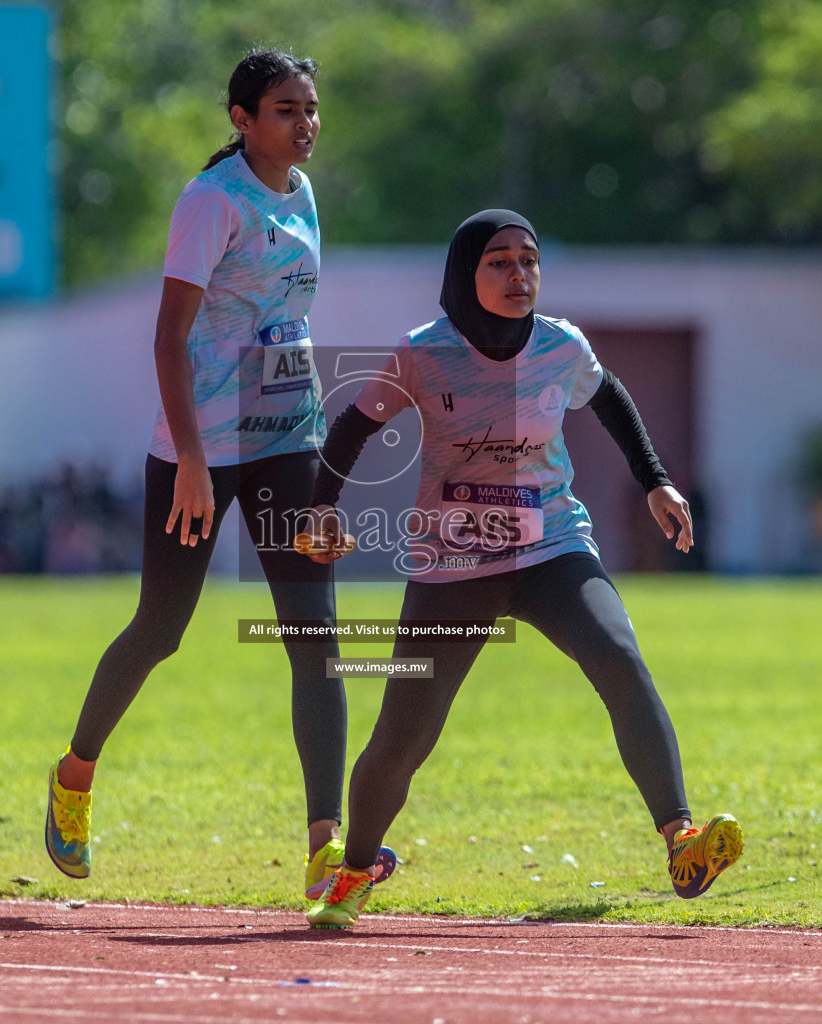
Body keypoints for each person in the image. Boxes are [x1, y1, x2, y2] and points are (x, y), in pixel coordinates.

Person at [301, 210, 743, 929]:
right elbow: (351, 427)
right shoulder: (423, 353)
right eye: (500, 262)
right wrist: (322, 511)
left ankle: (682, 842)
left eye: (529, 261)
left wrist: (655, 480)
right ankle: (352, 873)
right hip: (453, 565)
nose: (519, 275)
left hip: (550, 549)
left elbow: (611, 401)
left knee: (620, 659)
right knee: (402, 739)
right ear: (466, 273)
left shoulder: (561, 345)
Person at [45, 49, 392, 901]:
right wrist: (194, 462)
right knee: (160, 631)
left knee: (316, 641)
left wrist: (324, 479)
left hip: (288, 441)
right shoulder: (210, 202)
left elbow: (286, 325)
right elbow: (169, 339)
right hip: (201, 448)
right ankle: (74, 777)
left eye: (311, 108)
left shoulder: (304, 197)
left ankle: (324, 847)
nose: (305, 124)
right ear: (241, 119)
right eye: (285, 109)